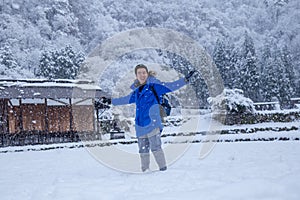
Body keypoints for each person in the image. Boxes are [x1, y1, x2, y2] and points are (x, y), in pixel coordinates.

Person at [102, 64, 195, 172]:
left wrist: (185, 80)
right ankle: (145, 171)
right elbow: (125, 99)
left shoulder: (154, 86)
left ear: (147, 73)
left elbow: (171, 86)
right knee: (143, 150)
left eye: (144, 72)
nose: (142, 75)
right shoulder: (137, 91)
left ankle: (163, 170)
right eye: (139, 73)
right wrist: (110, 101)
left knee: (156, 147)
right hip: (140, 125)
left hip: (152, 123)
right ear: (136, 75)